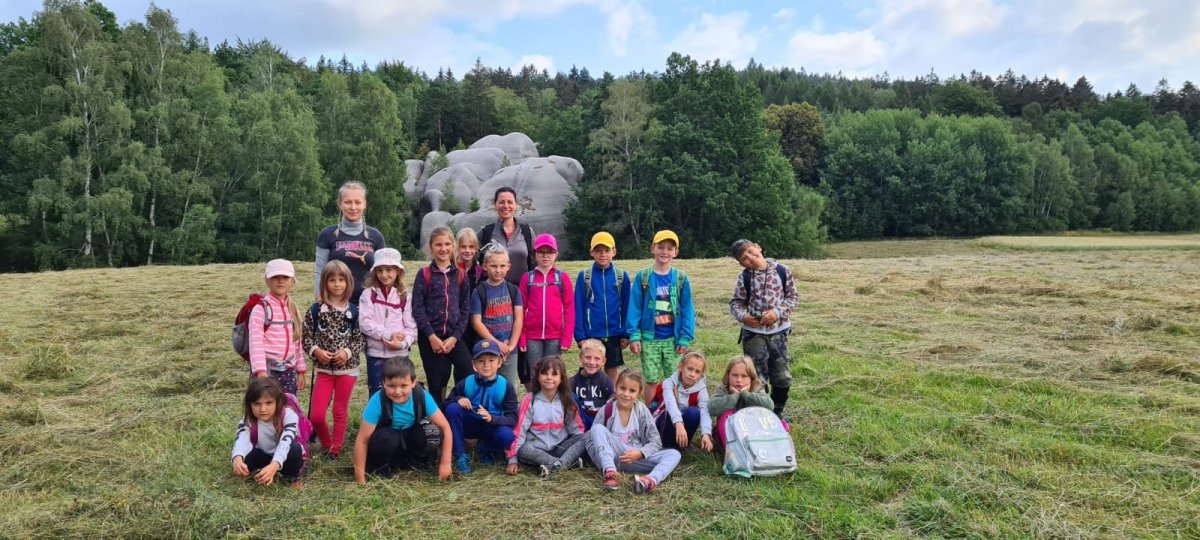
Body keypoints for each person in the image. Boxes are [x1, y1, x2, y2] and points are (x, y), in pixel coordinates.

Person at [728, 239, 799, 417]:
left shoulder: (782, 271)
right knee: (756, 378)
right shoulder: (744, 277)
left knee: (782, 376)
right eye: (744, 258)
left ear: (758, 247)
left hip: (779, 334)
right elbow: (735, 303)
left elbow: (793, 298)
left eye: (750, 251)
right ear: (742, 263)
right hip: (753, 336)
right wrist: (744, 317)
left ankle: (777, 411)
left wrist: (777, 312)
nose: (750, 257)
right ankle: (760, 412)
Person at [353, 357, 452, 483]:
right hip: (389, 437)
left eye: (404, 386)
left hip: (411, 434)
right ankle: (383, 466)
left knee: (433, 432)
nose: (397, 391)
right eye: (391, 386)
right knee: (385, 438)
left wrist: (446, 463)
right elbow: (362, 440)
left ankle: (415, 461)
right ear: (384, 383)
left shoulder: (422, 396)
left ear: (413, 382)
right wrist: (360, 480)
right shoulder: (377, 401)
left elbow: (446, 428)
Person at [303, 260, 365, 459]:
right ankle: (326, 443)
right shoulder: (315, 310)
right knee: (316, 415)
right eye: (332, 280)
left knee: (339, 409)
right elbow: (306, 337)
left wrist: (347, 352)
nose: (337, 284)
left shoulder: (354, 311)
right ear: (324, 282)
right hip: (323, 371)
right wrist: (316, 351)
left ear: (348, 283)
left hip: (347, 370)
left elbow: (360, 339)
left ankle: (335, 449)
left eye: (341, 280)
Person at [586, 369, 681, 493]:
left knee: (674, 454)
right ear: (616, 387)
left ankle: (649, 481)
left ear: (639, 393)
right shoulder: (607, 410)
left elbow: (656, 441)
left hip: (636, 458)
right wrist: (600, 461)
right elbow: (591, 440)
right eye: (622, 388)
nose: (626, 394)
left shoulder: (642, 411)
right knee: (597, 429)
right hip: (612, 457)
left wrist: (641, 453)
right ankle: (611, 473)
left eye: (632, 391)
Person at [626, 230, 695, 404]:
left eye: (670, 248)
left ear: (676, 252)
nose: (665, 251)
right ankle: (651, 413)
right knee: (651, 379)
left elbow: (687, 309)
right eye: (661, 247)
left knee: (674, 380)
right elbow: (634, 307)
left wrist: (685, 337)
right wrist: (634, 335)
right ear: (653, 249)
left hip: (673, 339)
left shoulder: (681, 278)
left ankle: (673, 412)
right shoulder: (643, 277)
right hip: (649, 339)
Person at [412, 225, 472, 401]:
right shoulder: (424, 274)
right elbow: (417, 307)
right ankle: (437, 412)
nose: (443, 248)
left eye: (447, 244)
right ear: (431, 247)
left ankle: (454, 405)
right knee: (437, 381)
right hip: (430, 338)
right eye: (438, 244)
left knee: (467, 371)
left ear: (453, 246)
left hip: (454, 337)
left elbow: (465, 308)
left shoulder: (460, 275)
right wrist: (431, 336)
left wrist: (455, 338)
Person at [442, 340, 519, 475]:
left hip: (491, 426)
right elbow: (445, 404)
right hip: (471, 424)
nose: (486, 365)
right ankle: (460, 455)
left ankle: (485, 449)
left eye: (491, 360)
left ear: (499, 362)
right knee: (453, 409)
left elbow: (512, 418)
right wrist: (459, 399)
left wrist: (492, 419)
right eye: (481, 361)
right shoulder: (467, 382)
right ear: (474, 365)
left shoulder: (505, 386)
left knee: (507, 435)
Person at [506, 356, 588, 476]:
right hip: (536, 449)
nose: (549, 377)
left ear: (561, 378)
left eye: (554, 374)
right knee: (523, 449)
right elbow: (519, 431)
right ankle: (566, 463)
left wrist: (578, 446)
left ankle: (556, 465)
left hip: (560, 447)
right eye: (544, 373)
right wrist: (512, 460)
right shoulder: (529, 400)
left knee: (588, 436)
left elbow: (576, 429)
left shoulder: (567, 399)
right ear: (538, 377)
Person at [357, 248, 417, 396]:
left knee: (399, 393)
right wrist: (389, 335)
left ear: (398, 271)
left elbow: (412, 328)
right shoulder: (368, 294)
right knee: (377, 393)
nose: (384, 274)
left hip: (399, 355)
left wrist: (402, 344)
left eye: (389, 270)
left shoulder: (405, 296)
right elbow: (364, 322)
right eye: (380, 270)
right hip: (375, 354)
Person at [519, 233, 574, 391]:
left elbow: (569, 309)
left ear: (556, 254)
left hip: (555, 337)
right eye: (541, 252)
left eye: (549, 252)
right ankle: (535, 402)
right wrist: (522, 337)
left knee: (553, 374)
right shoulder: (527, 278)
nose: (545, 256)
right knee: (535, 375)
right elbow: (520, 310)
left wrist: (566, 338)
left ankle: (554, 403)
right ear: (534, 254)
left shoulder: (562, 278)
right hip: (532, 337)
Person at [315, 181, 385, 304]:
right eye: (348, 202)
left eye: (357, 202)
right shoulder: (326, 235)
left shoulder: (376, 236)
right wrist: (319, 299)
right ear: (339, 204)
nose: (353, 207)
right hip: (335, 304)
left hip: (370, 304)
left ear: (364, 204)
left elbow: (384, 272)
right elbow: (319, 272)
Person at [574, 232, 631, 381]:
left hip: (615, 332)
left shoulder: (621, 276)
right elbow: (578, 307)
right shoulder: (584, 276)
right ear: (591, 252)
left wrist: (626, 333)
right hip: (592, 333)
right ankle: (591, 393)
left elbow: (627, 306)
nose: (603, 254)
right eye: (598, 250)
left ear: (614, 251)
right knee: (592, 367)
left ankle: (610, 393)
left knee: (611, 368)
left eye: (607, 250)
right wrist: (580, 336)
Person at [231, 378, 305, 488]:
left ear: (278, 402)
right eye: (257, 404)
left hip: (285, 456)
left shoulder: (289, 415)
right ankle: (261, 472)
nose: (263, 409)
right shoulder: (248, 419)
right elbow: (241, 439)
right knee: (241, 455)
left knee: (294, 448)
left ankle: (292, 478)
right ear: (249, 404)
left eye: (269, 403)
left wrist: (274, 465)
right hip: (264, 454)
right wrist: (237, 459)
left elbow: (285, 443)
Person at [249, 259, 306, 395]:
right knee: (267, 406)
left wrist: (300, 370)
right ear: (267, 281)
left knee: (288, 406)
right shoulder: (260, 309)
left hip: (289, 372)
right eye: (275, 277)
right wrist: (261, 372)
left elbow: (297, 341)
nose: (280, 281)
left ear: (292, 281)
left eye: (285, 277)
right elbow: (255, 342)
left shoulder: (292, 309)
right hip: (267, 372)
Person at [469, 243, 523, 386]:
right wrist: (496, 344)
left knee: (508, 387)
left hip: (509, 349)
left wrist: (511, 346)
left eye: (502, 266)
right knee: (485, 386)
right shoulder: (479, 292)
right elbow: (476, 322)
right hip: (486, 348)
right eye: (493, 266)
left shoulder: (514, 290)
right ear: (485, 266)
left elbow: (518, 319)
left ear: (508, 266)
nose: (498, 270)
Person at [708, 356, 788, 449]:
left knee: (759, 414)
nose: (739, 380)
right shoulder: (724, 389)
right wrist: (734, 397)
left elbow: (769, 405)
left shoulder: (756, 388)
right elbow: (712, 407)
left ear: (751, 378)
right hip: (730, 435)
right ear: (728, 375)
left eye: (744, 376)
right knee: (726, 414)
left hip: (753, 433)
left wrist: (745, 394)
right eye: (734, 375)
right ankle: (733, 451)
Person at [652, 351, 713, 452]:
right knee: (668, 411)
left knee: (694, 412)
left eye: (697, 372)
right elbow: (670, 403)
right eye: (689, 369)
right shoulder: (669, 383)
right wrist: (678, 423)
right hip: (663, 423)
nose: (692, 374)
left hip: (682, 427)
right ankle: (665, 446)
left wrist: (706, 433)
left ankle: (683, 445)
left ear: (701, 375)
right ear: (681, 367)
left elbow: (705, 411)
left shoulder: (701, 390)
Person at [476, 186, 534, 284]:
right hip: (492, 291)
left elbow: (536, 261)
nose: (506, 206)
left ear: (516, 205)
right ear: (495, 205)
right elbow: (468, 255)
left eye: (510, 202)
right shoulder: (486, 232)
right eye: (501, 202)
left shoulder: (527, 231)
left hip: (521, 290)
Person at [571, 339, 614, 430]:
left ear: (603, 361)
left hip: (600, 420)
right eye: (588, 357)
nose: (592, 362)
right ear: (581, 357)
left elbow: (613, 400)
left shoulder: (606, 380)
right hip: (580, 420)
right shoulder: (572, 382)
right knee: (569, 395)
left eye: (597, 358)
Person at [456, 228, 485, 349]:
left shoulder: (480, 271)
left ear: (476, 248)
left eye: (471, 247)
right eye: (463, 247)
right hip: (456, 321)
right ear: (457, 247)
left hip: (475, 320)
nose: (467, 250)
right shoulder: (452, 269)